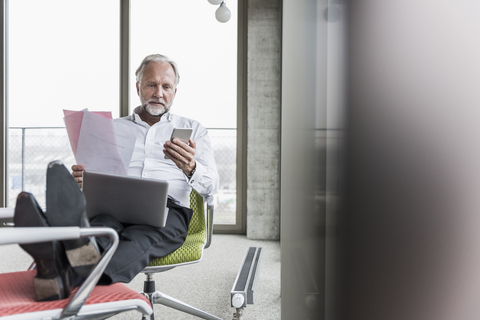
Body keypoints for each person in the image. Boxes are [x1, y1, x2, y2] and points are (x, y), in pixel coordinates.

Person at [13, 54, 219, 301]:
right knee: (99, 232)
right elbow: (98, 172)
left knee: (136, 241)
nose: (159, 93)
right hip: (115, 205)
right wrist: (85, 180)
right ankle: (66, 260)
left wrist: (191, 167)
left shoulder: (194, 129)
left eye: (166, 86)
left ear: (175, 91)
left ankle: (57, 266)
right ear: (138, 88)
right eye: (151, 84)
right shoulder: (112, 128)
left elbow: (211, 187)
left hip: (167, 211)